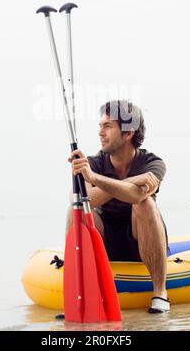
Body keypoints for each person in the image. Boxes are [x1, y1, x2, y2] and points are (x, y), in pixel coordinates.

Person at [66, 99, 169, 314]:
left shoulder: (153, 164)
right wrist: (133, 179)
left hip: (140, 238)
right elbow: (87, 200)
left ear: (128, 133)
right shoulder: (93, 164)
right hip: (106, 240)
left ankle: (160, 292)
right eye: (100, 126)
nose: (100, 132)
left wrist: (96, 179)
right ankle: (82, 293)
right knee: (77, 209)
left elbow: (135, 196)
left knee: (144, 203)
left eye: (107, 126)